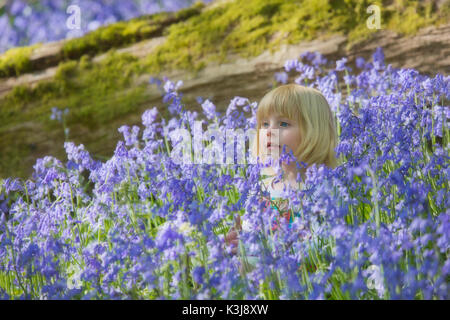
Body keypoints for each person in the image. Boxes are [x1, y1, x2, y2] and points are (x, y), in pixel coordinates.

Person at [225, 83, 338, 264]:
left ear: (314, 132)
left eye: (283, 123)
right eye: (264, 124)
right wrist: (233, 241)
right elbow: (248, 232)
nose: (270, 132)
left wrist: (262, 250)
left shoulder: (320, 189)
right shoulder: (260, 187)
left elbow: (322, 247)